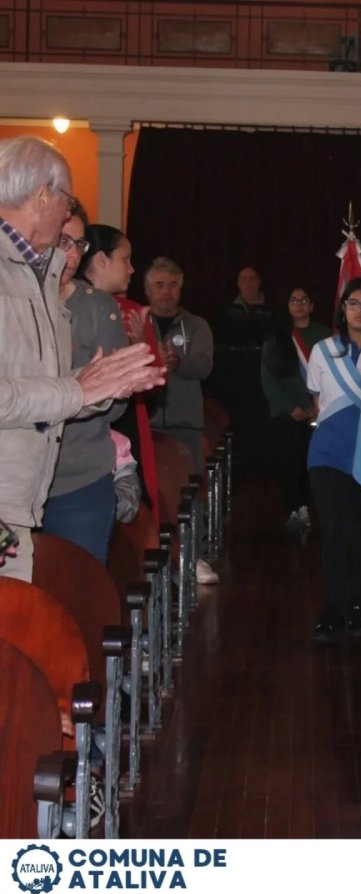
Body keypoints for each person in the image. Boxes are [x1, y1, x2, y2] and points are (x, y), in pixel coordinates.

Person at [0, 135, 163, 582]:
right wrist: (78, 388)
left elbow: (40, 386)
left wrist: (99, 386)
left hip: (21, 499)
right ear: (41, 196)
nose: (70, 214)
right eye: (67, 201)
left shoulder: (40, 276)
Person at [41, 219, 132, 564]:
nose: (73, 254)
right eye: (63, 240)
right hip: (15, 482)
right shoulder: (14, 302)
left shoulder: (98, 307)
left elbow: (116, 407)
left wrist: (99, 391)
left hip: (79, 477)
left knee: (79, 592)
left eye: (80, 244)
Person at [306, 278, 361, 642]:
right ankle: (332, 611)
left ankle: (359, 608)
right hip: (328, 454)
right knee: (335, 532)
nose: (360, 311)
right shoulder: (323, 350)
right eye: (354, 303)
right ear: (343, 307)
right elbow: (318, 401)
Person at [260, 286, 330, 531]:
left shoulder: (326, 336)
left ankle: (309, 507)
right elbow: (268, 377)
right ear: (288, 306)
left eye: (304, 300)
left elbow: (333, 375)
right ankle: (293, 508)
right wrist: (290, 407)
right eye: (294, 300)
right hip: (288, 414)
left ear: (311, 306)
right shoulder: (277, 337)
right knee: (290, 462)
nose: (299, 304)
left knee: (313, 465)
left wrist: (318, 406)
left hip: (319, 411)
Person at [144, 257, 214, 473]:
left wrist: (178, 363)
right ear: (148, 290)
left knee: (189, 495)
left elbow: (204, 367)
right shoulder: (135, 322)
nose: (166, 291)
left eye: (173, 285)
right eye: (160, 285)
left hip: (186, 428)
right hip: (145, 426)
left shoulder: (197, 325)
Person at [214, 266, 275, 475]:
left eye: (252, 278)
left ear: (259, 282)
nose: (248, 282)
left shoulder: (272, 311)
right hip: (235, 376)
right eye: (243, 278)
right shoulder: (224, 311)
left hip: (265, 376)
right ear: (238, 283)